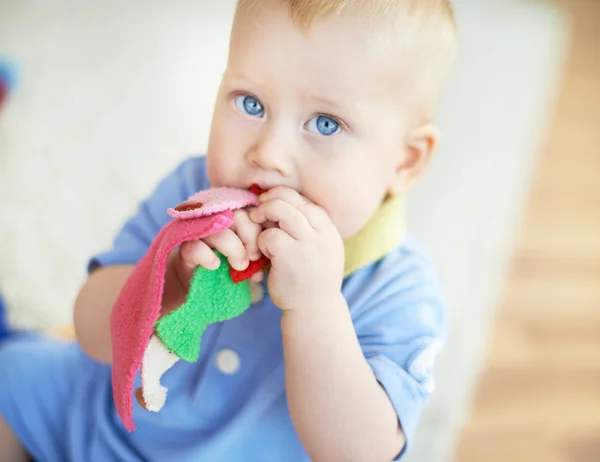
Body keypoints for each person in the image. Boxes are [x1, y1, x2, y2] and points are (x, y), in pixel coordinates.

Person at [0, 0, 457, 460]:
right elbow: (93, 335)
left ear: (406, 160)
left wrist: (316, 306)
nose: (268, 153)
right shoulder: (192, 190)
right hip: (93, 416)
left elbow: (361, 452)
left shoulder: (400, 292)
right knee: (11, 377)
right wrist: (169, 277)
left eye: (325, 123)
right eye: (251, 103)